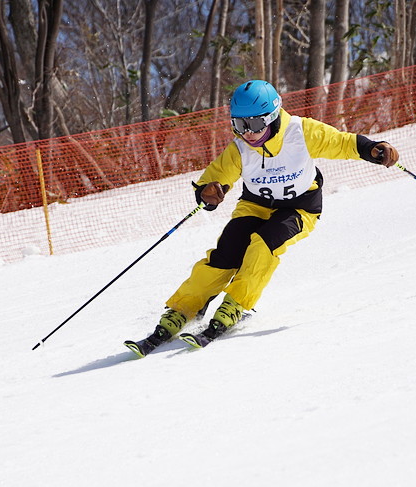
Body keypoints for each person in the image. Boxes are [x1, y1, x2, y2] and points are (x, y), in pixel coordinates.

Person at [125, 79, 399, 357]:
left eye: (255, 124)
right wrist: (207, 191)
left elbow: (342, 142)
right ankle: (182, 308)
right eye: (240, 125)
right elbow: (217, 176)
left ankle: (234, 304)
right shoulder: (241, 149)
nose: (249, 133)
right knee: (226, 253)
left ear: (272, 117)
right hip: (255, 206)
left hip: (299, 209)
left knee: (264, 244)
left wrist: (373, 149)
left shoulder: (301, 132)